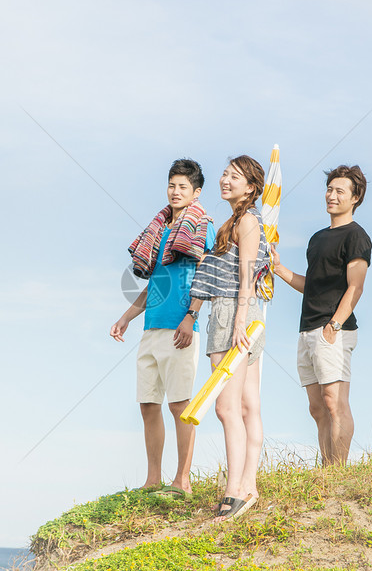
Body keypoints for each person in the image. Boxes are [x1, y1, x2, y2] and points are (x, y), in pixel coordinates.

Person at [110, 158, 216, 496]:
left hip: (181, 327)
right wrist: (127, 317)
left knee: (180, 405)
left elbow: (208, 274)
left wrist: (192, 315)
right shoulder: (159, 232)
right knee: (148, 404)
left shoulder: (203, 226)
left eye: (183, 186)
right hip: (152, 328)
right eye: (172, 185)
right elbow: (155, 283)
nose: (175, 191)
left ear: (196, 192)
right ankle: (152, 478)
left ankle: (182, 480)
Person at [271, 165, 371, 466]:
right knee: (316, 407)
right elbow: (312, 285)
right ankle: (327, 467)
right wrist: (280, 269)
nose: (332, 195)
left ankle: (337, 471)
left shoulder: (357, 236)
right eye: (329, 189)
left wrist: (334, 325)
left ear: (355, 198)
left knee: (335, 402)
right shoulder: (316, 239)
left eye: (340, 191)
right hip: (307, 329)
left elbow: (356, 287)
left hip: (334, 329)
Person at [189, 155, 271, 520]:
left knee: (225, 407)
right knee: (247, 405)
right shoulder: (234, 222)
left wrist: (238, 321)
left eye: (234, 176)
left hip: (233, 314)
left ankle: (234, 488)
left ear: (251, 187)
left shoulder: (249, 220)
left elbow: (247, 276)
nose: (225, 180)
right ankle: (248, 485)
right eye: (224, 174)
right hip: (238, 314)